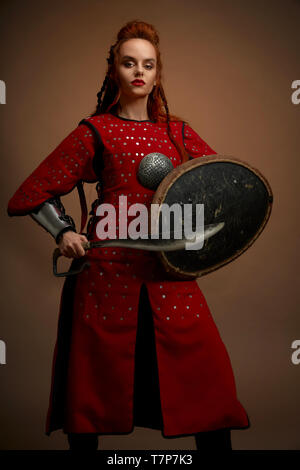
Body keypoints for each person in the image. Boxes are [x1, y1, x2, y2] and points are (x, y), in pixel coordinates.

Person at [7, 20, 250, 451]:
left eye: (148, 65)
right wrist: (62, 231)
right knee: (93, 389)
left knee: (204, 380)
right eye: (129, 63)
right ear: (114, 71)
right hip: (105, 276)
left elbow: (223, 186)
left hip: (168, 272)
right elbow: (32, 191)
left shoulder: (178, 132)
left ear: (158, 74)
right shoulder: (95, 131)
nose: (139, 71)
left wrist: (202, 233)